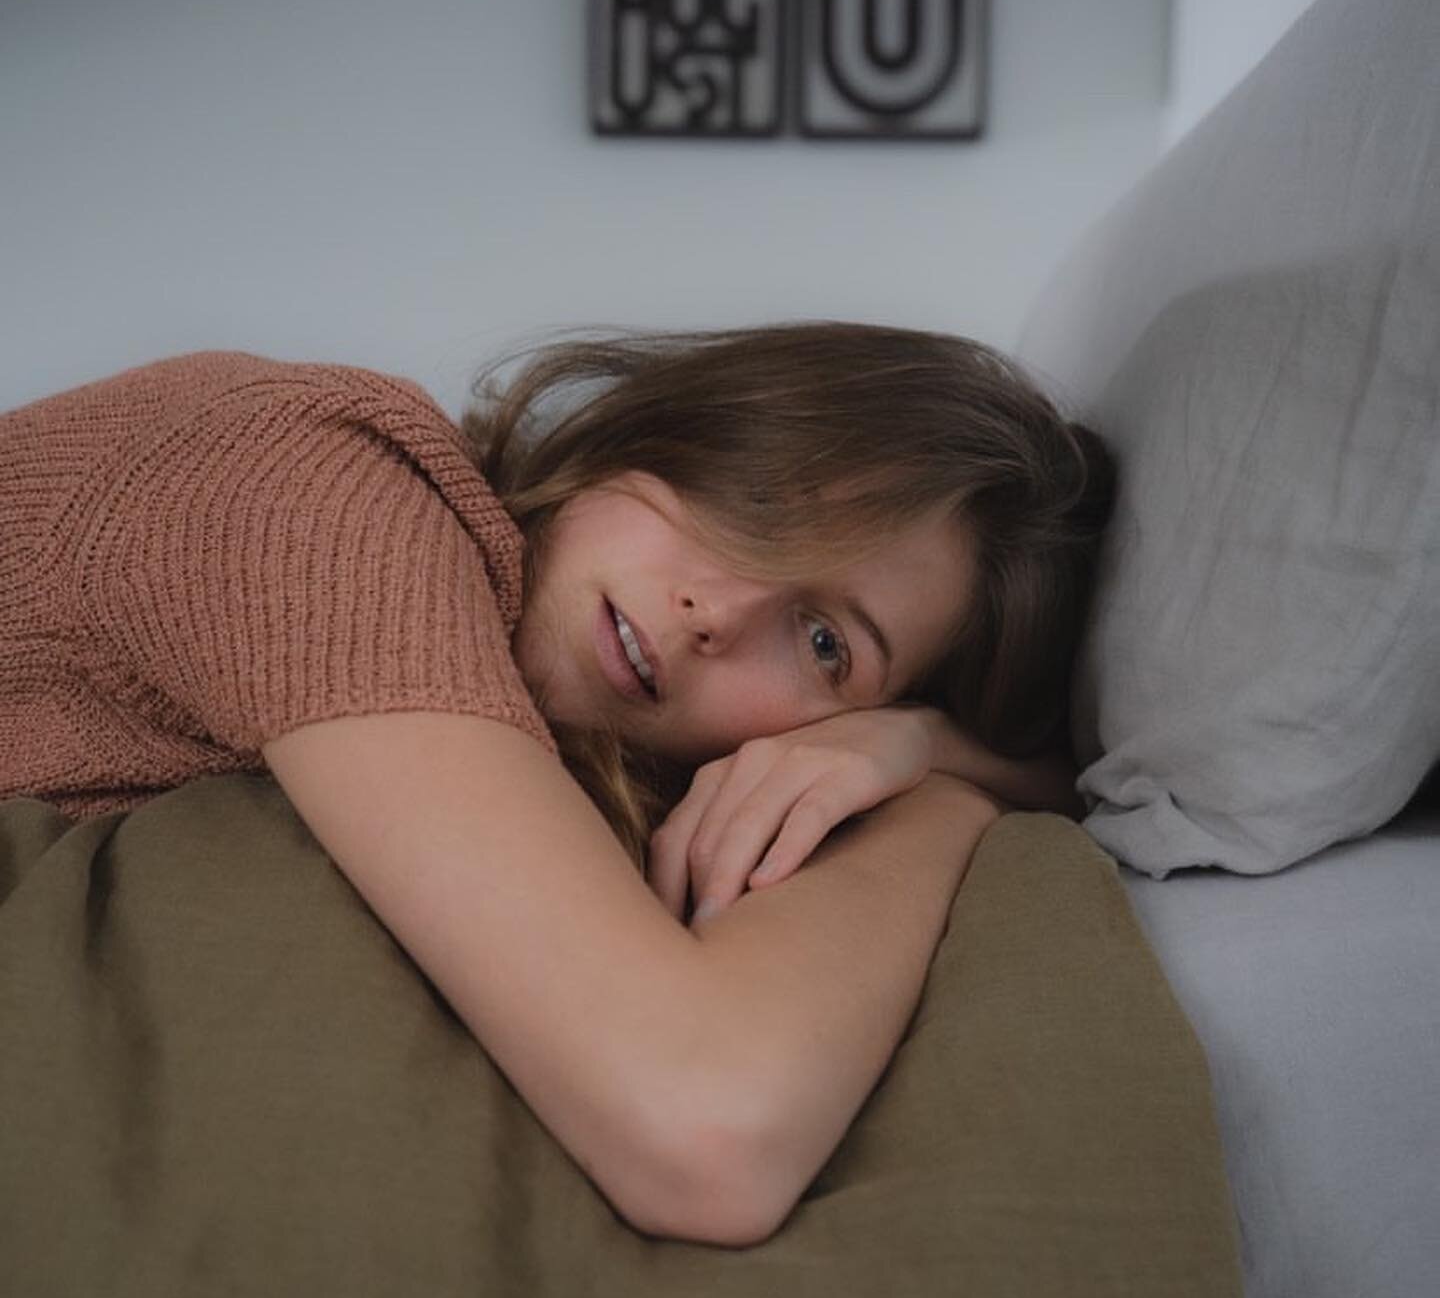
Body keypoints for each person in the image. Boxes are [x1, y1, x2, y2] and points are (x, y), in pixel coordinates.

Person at [0, 323, 1113, 1247]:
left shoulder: (584, 747)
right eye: (765, 505)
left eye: (824, 644)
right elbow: (706, 1129)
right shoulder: (315, 490)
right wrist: (952, 797)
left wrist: (909, 747)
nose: (719, 612)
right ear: (666, 431)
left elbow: (1080, 782)